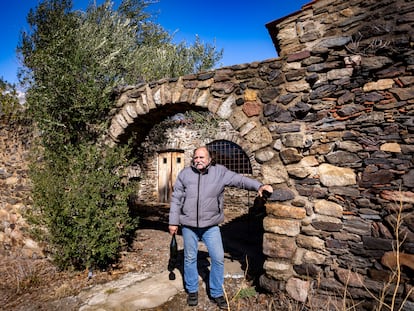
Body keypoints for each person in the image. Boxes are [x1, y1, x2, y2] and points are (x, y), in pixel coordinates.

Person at [168, 146, 273, 309]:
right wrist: (173, 221)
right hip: (188, 225)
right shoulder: (185, 174)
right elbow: (176, 199)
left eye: (202, 157)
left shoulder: (220, 172)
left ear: (210, 159)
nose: (198, 160)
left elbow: (240, 180)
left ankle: (216, 292)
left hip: (211, 226)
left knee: (217, 258)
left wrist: (259, 186)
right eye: (196, 157)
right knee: (190, 258)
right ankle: (192, 290)